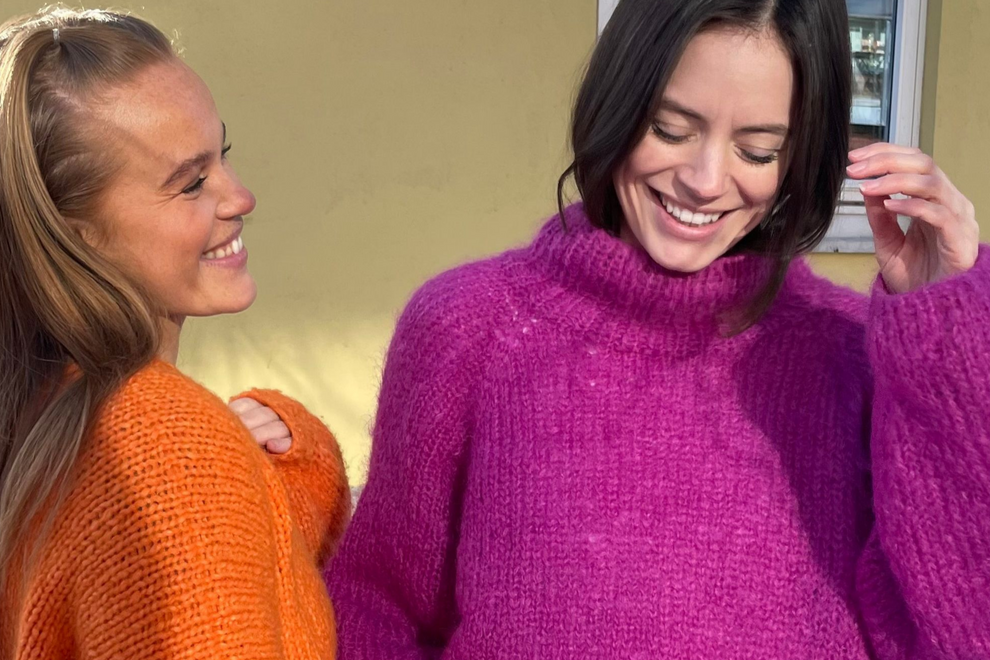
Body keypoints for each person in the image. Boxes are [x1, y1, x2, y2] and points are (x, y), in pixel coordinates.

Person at [325, 0, 988, 658]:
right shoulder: (470, 328)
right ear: (618, 102)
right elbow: (380, 606)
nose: (704, 181)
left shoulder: (853, 356)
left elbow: (955, 630)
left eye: (757, 149)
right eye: (671, 130)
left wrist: (946, 333)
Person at [0, 8, 349, 660]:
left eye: (222, 156)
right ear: (74, 235)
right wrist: (212, 454)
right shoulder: (166, 447)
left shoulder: (39, 433)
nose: (240, 196)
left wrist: (294, 465)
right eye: (191, 182)